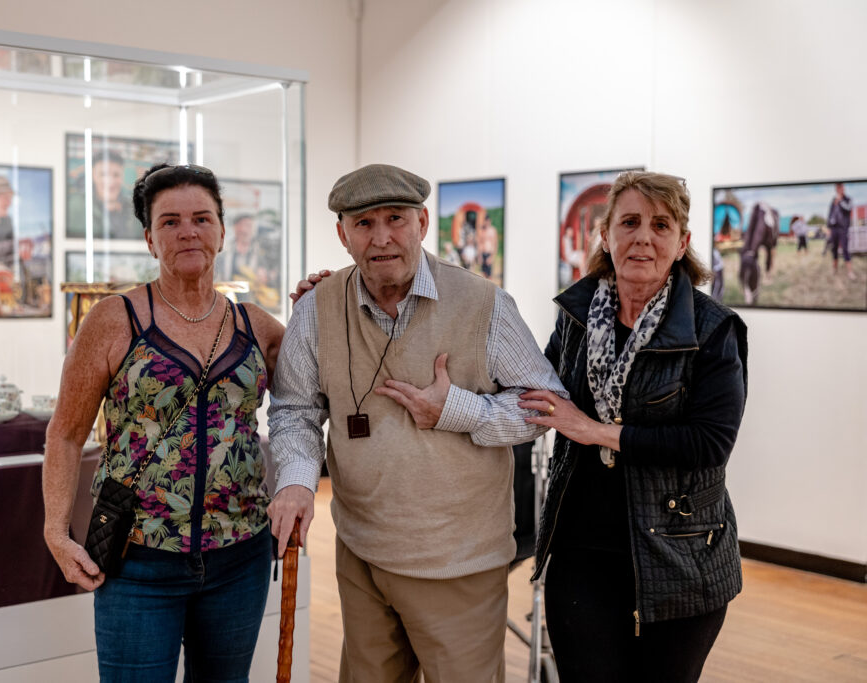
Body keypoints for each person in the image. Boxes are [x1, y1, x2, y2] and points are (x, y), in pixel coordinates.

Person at [268, 163, 566, 682]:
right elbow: (295, 409)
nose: (382, 238)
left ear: (423, 222)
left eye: (396, 219)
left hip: (459, 562)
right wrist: (295, 482)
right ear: (343, 234)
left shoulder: (483, 303)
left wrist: (456, 409)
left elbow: (546, 405)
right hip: (361, 552)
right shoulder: (316, 309)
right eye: (363, 223)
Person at [42, 162, 284, 682]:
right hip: (138, 558)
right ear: (150, 239)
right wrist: (56, 531)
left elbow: (311, 404)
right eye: (170, 222)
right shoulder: (113, 319)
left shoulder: (258, 327)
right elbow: (64, 433)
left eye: (201, 217)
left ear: (221, 229)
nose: (188, 231)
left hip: (240, 553)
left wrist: (320, 304)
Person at [519, 171, 748, 683]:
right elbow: (529, 389)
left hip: (680, 557)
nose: (643, 236)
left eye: (661, 224)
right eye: (629, 221)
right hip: (581, 553)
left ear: (682, 241)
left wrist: (596, 430)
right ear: (606, 235)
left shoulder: (713, 329)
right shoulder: (576, 316)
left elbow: (709, 444)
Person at [69, 149, 142, 240]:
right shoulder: (74, 207)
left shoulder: (135, 211)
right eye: (103, 174)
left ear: (122, 176)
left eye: (116, 175)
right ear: (92, 175)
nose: (110, 182)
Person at [827, 182, 855, 280]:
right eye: (837, 188)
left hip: (843, 229)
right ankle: (834, 270)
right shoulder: (833, 201)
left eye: (840, 187)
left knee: (845, 250)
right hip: (834, 228)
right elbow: (830, 214)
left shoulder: (848, 199)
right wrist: (829, 227)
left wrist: (841, 201)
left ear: (843, 188)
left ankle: (850, 272)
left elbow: (848, 209)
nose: (839, 189)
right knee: (834, 249)